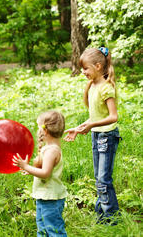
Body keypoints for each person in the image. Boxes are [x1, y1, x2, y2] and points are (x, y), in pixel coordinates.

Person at [64, 47, 121, 224]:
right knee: (99, 179)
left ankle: (110, 219)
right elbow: (95, 116)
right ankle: (102, 216)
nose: (83, 72)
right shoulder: (92, 86)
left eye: (85, 68)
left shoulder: (106, 88)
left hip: (107, 137)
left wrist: (91, 125)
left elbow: (113, 117)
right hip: (97, 136)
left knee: (104, 179)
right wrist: (81, 127)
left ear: (97, 66)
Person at [13, 111, 68, 237]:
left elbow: (45, 173)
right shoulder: (50, 148)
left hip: (51, 199)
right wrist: (29, 170)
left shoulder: (51, 151)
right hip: (45, 197)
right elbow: (44, 171)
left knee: (54, 230)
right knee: (43, 229)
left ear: (45, 130)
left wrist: (26, 166)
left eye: (39, 127)